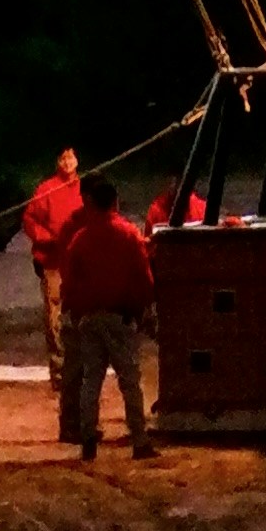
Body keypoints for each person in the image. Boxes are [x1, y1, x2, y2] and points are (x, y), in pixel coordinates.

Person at [58, 170, 159, 459]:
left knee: (92, 379)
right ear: (115, 201)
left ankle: (88, 439)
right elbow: (143, 278)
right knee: (129, 380)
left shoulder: (80, 237)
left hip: (89, 317)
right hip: (119, 315)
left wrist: (76, 312)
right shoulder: (128, 234)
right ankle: (139, 440)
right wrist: (144, 310)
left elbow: (71, 281)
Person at [22, 145, 82, 395]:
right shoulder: (46, 189)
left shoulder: (84, 189)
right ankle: (59, 371)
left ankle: (78, 368)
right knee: (54, 317)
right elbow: (29, 219)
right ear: (57, 161)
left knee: (80, 314)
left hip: (79, 262)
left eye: (71, 157)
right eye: (63, 158)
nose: (67, 162)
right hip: (53, 262)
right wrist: (47, 239)